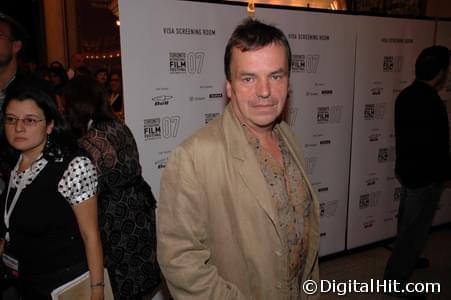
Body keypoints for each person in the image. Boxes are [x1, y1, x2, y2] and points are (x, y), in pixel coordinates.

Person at [157, 18, 320, 299]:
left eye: (276, 75)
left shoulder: (289, 137)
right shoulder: (194, 157)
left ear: (288, 82)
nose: (265, 91)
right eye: (248, 78)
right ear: (229, 87)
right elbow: (180, 262)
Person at [0, 83, 104, 299]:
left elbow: (90, 235)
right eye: (11, 119)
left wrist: (97, 291)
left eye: (29, 120)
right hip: (24, 282)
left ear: (49, 125)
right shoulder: (13, 162)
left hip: (63, 285)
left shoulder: (73, 166)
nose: (18, 128)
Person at [63, 77, 161, 299]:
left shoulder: (90, 141)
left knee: (122, 283)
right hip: (140, 206)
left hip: (115, 217)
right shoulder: (118, 125)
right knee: (143, 275)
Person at [384, 46, 451, 289]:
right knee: (414, 231)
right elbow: (437, 146)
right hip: (425, 179)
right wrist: (444, 175)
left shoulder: (405, 95)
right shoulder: (432, 102)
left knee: (407, 225)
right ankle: (394, 281)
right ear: (441, 73)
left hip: (408, 174)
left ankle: (409, 260)